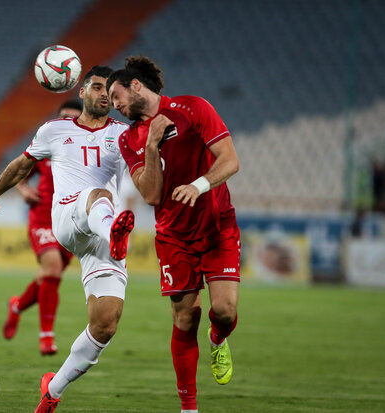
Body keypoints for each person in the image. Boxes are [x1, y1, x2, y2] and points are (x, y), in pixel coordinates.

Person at [0, 66, 134, 413]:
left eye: (109, 89)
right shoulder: (55, 130)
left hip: (103, 237)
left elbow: (145, 178)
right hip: (69, 218)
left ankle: (53, 390)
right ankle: (114, 233)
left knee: (106, 324)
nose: (103, 94)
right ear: (82, 92)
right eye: (96, 87)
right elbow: (20, 166)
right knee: (96, 194)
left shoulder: (124, 135)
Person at [107, 56, 241, 413]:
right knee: (185, 317)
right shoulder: (129, 139)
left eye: (116, 95)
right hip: (174, 237)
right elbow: (151, 195)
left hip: (217, 227)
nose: (115, 105)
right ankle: (189, 408)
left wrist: (199, 185)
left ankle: (218, 338)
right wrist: (151, 145)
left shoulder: (194, 108)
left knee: (224, 311)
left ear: (136, 85)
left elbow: (229, 160)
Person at [3, 100, 82, 356]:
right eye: (63, 117)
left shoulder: (87, 150)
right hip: (43, 218)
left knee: (47, 278)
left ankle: (16, 306)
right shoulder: (45, 145)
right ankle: (46, 337)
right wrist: (23, 190)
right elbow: (19, 174)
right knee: (52, 269)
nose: (67, 121)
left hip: (71, 222)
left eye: (73, 118)